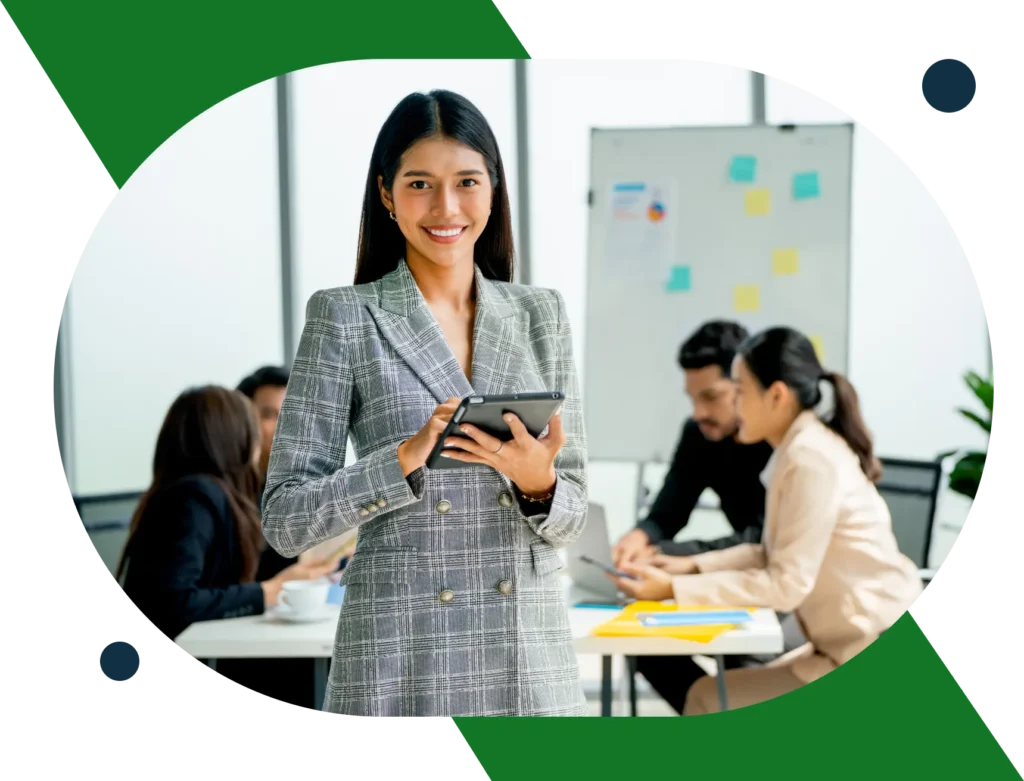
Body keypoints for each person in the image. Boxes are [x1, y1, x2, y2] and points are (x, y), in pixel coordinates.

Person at [262, 89, 589, 719]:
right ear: (385, 194)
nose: (446, 207)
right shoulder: (345, 316)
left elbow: (571, 514)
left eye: (467, 181)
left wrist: (538, 482)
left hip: (524, 650)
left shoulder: (539, 314)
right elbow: (284, 520)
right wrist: (403, 460)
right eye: (420, 184)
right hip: (401, 649)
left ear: (493, 190)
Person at [609, 327, 924, 714]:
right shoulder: (798, 449)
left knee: (708, 698)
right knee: (706, 693)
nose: (735, 405)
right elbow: (769, 551)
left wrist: (674, 588)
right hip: (839, 647)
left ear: (776, 396)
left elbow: (786, 584)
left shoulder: (809, 459)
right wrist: (690, 566)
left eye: (739, 391)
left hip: (867, 647)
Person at [116, 386, 336, 641]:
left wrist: (279, 583)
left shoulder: (195, 493)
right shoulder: (196, 496)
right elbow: (175, 602)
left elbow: (214, 585)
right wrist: (268, 591)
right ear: (231, 438)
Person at [612, 321, 773, 566]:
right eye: (693, 398)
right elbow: (667, 512)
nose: (698, 413)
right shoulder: (698, 434)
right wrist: (639, 537)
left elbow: (766, 539)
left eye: (711, 397)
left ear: (745, 386)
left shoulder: (778, 440)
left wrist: (667, 554)